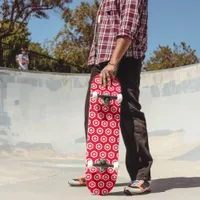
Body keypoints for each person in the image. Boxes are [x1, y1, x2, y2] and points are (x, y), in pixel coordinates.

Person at [69, 0, 153, 195]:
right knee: (94, 118)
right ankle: (97, 172)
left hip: (123, 60)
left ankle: (141, 176)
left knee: (129, 116)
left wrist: (113, 63)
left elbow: (128, 27)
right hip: (101, 62)